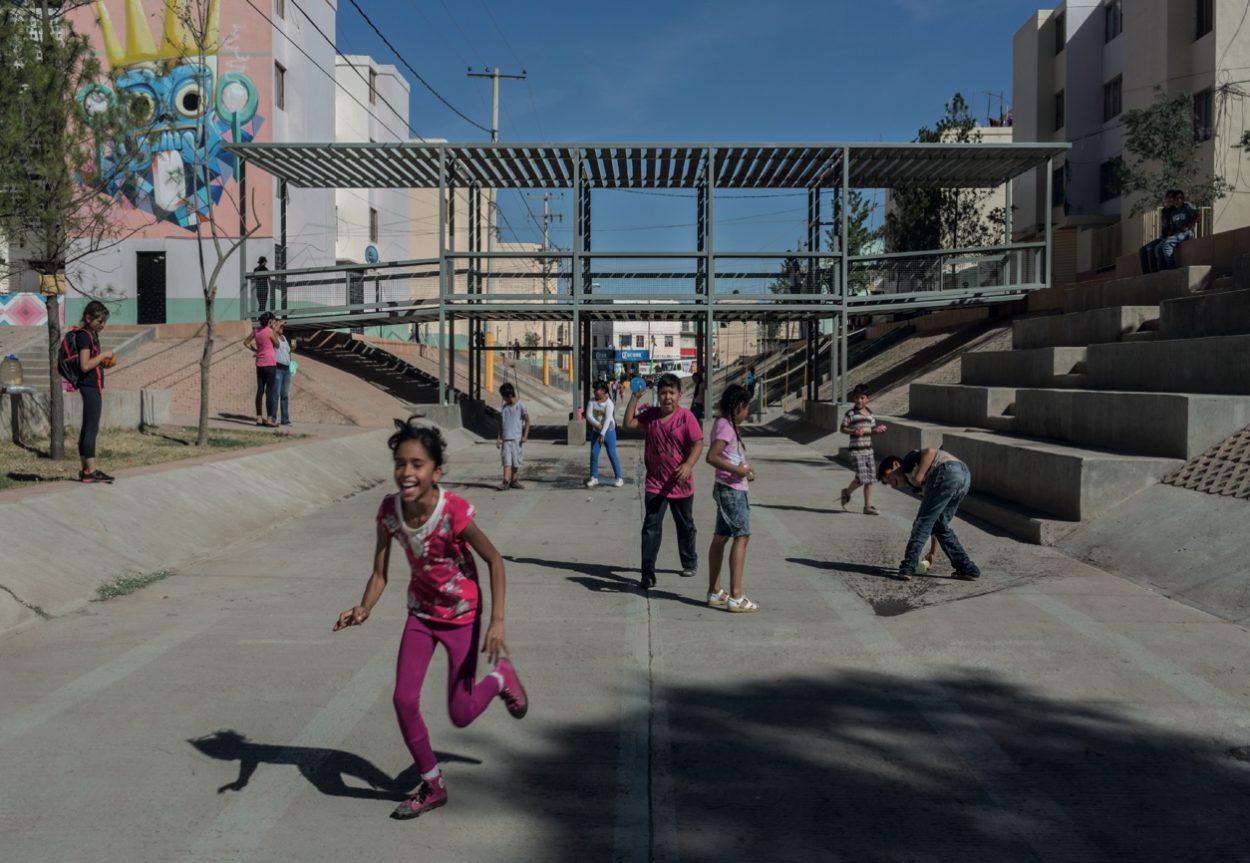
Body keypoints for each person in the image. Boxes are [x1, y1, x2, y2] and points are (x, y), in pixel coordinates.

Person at [333, 420, 528, 821]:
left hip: (462, 617)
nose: (407, 472)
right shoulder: (389, 511)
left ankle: (500, 677)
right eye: (400, 463)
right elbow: (381, 573)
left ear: (436, 471)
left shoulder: (452, 510)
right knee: (403, 699)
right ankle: (432, 783)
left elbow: (494, 560)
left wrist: (498, 621)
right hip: (421, 614)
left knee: (460, 713)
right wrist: (363, 607)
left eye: (417, 464)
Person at [623, 372, 704, 590]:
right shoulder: (650, 415)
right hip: (655, 484)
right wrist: (634, 398)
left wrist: (688, 465)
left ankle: (689, 561)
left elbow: (698, 444)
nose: (667, 397)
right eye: (663, 393)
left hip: (681, 484)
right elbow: (628, 424)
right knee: (651, 528)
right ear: (658, 395)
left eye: (672, 393)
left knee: (685, 526)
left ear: (679, 395)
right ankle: (647, 574)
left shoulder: (687, 418)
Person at [878, 448, 981, 582]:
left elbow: (930, 452)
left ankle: (908, 566)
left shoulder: (907, 463)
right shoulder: (915, 485)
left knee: (921, 523)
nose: (891, 484)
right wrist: (933, 552)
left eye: (888, 477)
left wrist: (919, 476)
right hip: (964, 477)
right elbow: (933, 521)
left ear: (896, 465)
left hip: (947, 470)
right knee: (940, 525)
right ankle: (966, 568)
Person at [705, 384, 757, 612]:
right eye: (746, 408)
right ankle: (736, 595)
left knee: (721, 536)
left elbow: (727, 455)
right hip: (732, 489)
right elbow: (712, 457)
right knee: (741, 536)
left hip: (730, 486)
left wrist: (743, 469)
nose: (747, 413)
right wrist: (737, 471)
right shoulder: (726, 427)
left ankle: (715, 591)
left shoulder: (724, 424)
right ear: (738, 407)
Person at [67, 300, 117, 483]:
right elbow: (85, 364)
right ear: (88, 318)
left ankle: (86, 470)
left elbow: (90, 363)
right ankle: (91, 471)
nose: (102, 325)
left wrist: (103, 362)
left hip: (91, 386)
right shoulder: (85, 336)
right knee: (91, 428)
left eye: (104, 321)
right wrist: (103, 356)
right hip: (89, 387)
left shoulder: (91, 334)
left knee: (88, 426)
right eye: (99, 321)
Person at [839, 384, 888, 515]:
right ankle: (847, 492)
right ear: (853, 399)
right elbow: (842, 428)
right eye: (856, 398)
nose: (859, 400)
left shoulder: (870, 414)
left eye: (862, 398)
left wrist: (877, 430)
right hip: (856, 451)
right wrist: (853, 430)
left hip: (869, 450)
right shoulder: (850, 414)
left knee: (870, 479)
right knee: (861, 477)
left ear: (867, 399)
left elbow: (871, 430)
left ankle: (867, 506)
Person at [585, 380, 624, 488]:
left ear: (603, 391)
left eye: (598, 389)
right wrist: (597, 426)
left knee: (611, 453)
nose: (596, 392)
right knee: (594, 453)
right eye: (595, 389)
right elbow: (589, 416)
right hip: (596, 431)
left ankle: (619, 478)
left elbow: (607, 420)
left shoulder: (609, 403)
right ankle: (594, 477)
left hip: (609, 431)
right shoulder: (592, 402)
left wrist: (602, 434)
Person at [244, 311, 279, 426]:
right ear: (269, 321)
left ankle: (259, 418)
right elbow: (277, 344)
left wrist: (255, 351)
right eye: (273, 321)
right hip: (270, 364)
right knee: (269, 392)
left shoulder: (256, 331)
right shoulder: (269, 331)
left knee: (260, 391)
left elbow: (246, 342)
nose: (274, 322)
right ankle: (269, 419)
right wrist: (274, 330)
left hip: (260, 363)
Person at [1153, 189, 1200, 272]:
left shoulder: (1187, 206)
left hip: (1186, 233)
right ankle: (1163, 270)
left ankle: (1172, 269)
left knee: (1167, 245)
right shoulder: (1173, 212)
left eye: (1181, 198)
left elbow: (1198, 215)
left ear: (1184, 199)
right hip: (1176, 234)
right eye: (1177, 199)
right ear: (1174, 201)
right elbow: (1172, 227)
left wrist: (1188, 226)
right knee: (1158, 248)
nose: (1179, 200)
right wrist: (1168, 237)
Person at [496, 382, 529, 490]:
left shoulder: (521, 405)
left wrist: (525, 436)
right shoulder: (505, 408)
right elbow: (501, 423)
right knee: (506, 461)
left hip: (517, 439)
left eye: (503, 397)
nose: (503, 399)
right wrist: (499, 438)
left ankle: (514, 480)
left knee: (516, 462)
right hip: (506, 439)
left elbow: (527, 421)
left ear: (509, 395)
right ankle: (505, 481)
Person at [273, 319, 297, 426]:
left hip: (287, 369)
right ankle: (273, 418)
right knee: (276, 394)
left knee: (285, 395)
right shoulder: (274, 337)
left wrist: (293, 348)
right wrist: (280, 323)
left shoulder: (284, 338)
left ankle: (285, 419)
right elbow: (273, 332)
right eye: (281, 327)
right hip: (278, 368)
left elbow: (287, 352)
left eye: (283, 327)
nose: (282, 328)